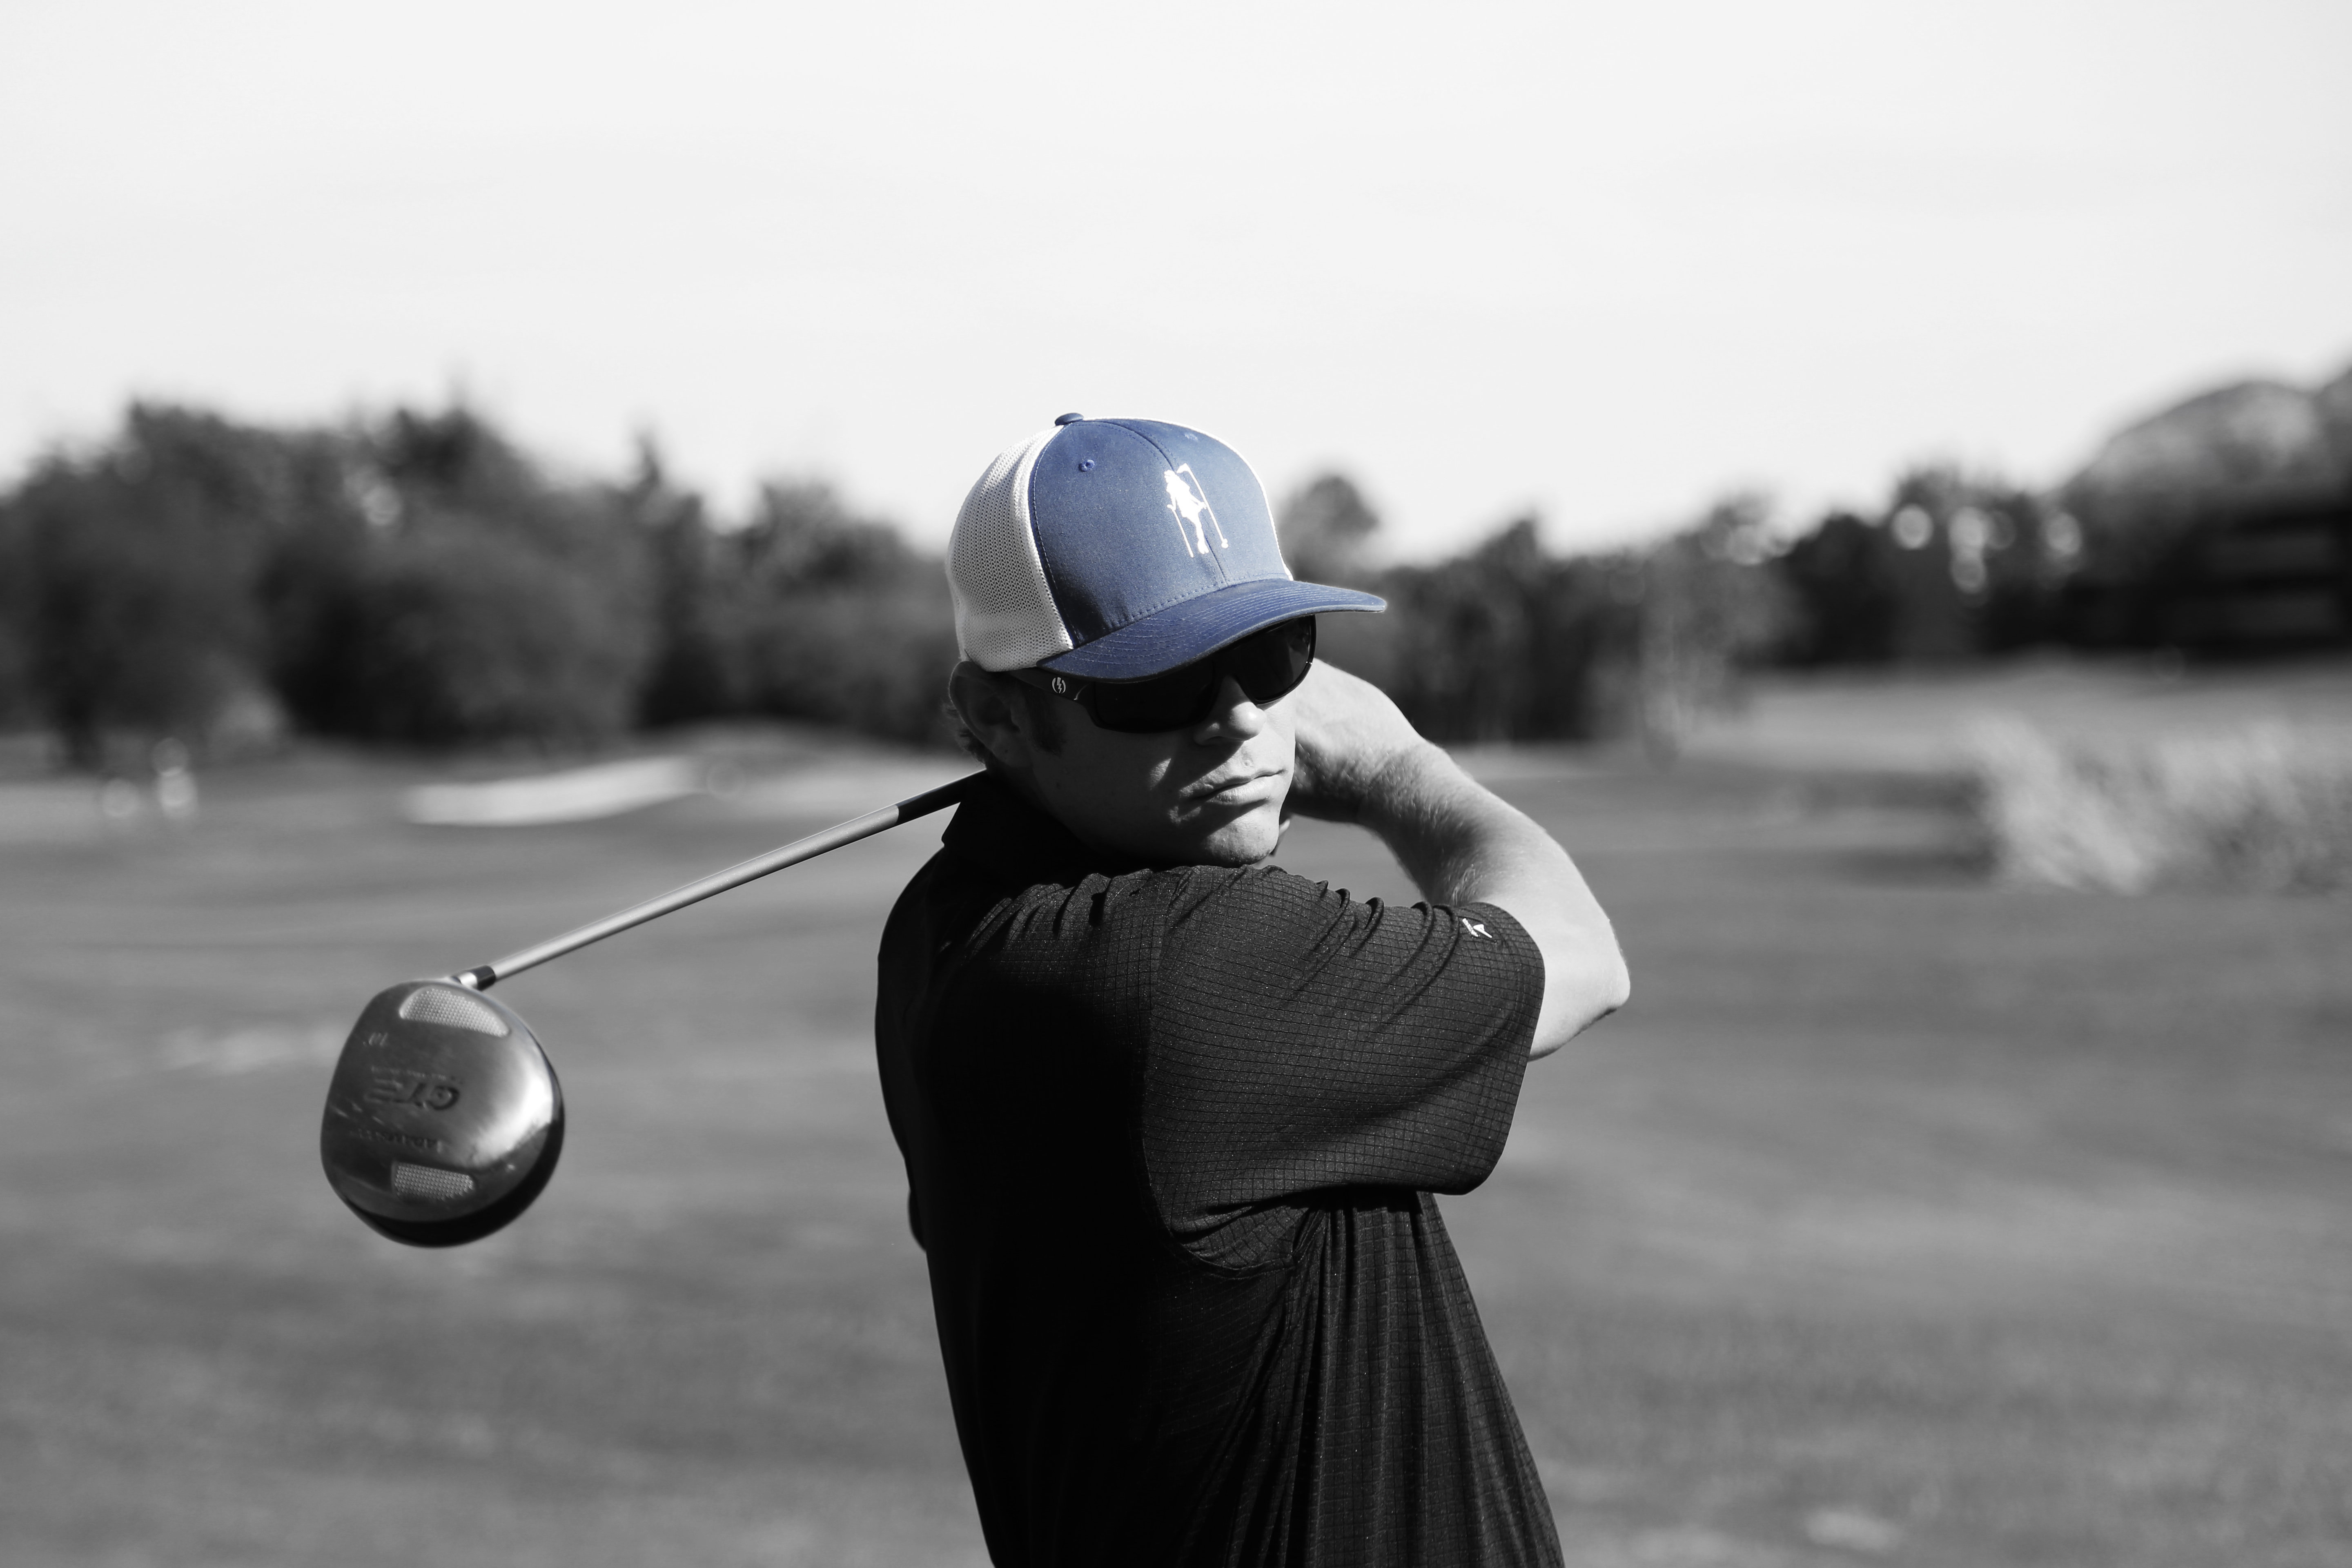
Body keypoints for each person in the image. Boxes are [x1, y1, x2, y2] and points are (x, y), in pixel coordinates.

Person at [875, 415, 1629, 1568]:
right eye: (1159, 682)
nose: (1235, 717)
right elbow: (1579, 956)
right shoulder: (1177, 970)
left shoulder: (939, 928)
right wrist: (1395, 767)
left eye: (1272, 653)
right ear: (997, 717)